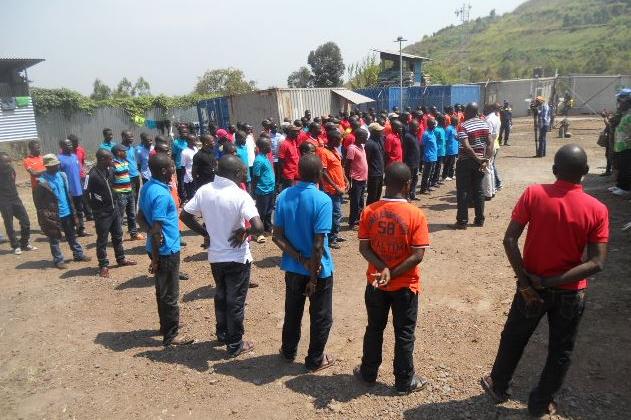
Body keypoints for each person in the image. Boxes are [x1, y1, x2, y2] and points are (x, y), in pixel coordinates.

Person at [481, 144, 609, 417]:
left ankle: (498, 385)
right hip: (570, 292)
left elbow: (509, 239)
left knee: (514, 336)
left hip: (531, 288)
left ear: (554, 169)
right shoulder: (597, 209)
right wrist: (551, 281)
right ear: (586, 171)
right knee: (561, 349)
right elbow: (597, 262)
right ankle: (540, 402)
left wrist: (527, 283)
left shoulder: (534, 194)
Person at [354, 162, 430, 394]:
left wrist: (383, 269)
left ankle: (368, 373)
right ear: (408, 185)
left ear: (386, 182)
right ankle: (404, 382)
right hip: (405, 286)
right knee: (404, 333)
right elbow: (417, 255)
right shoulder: (416, 215)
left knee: (374, 328)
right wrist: (393, 272)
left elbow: (364, 249)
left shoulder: (369, 211)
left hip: (376, 282)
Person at [180, 155, 264, 358]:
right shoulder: (240, 195)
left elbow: (185, 215)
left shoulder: (204, 190)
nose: (245, 175)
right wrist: (245, 232)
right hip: (237, 257)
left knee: (221, 294)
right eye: (243, 172)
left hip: (215, 256)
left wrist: (205, 233)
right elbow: (259, 226)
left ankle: (222, 333)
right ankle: (235, 344)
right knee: (235, 301)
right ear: (236, 173)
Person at [272, 154, 336, 371]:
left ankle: (288, 351)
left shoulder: (283, 196)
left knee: (293, 311)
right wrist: (313, 277)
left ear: (299, 172)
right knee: (321, 317)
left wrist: (299, 259)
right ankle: (315, 360)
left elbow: (277, 236)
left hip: (293, 268)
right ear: (319, 174)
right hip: (319, 271)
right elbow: (318, 245)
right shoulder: (323, 200)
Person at [137, 154, 194, 347]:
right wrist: (155, 258)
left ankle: (165, 325)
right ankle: (171, 335)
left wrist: (150, 235)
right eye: (171, 167)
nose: (173, 170)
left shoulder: (147, 187)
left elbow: (139, 217)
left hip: (156, 248)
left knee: (161, 289)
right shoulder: (161, 195)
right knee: (170, 293)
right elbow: (156, 230)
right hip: (165, 250)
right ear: (163, 171)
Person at [86, 149, 137, 278]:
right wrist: (95, 208)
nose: (112, 160)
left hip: (114, 210)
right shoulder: (91, 175)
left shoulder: (109, 170)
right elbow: (85, 194)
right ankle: (103, 265)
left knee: (118, 235)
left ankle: (121, 258)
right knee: (102, 240)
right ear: (102, 159)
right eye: (110, 158)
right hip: (102, 213)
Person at [35, 154, 91, 269]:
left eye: (57, 164)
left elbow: (67, 193)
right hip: (53, 215)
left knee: (72, 235)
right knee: (54, 239)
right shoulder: (42, 182)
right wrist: (45, 216)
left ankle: (78, 254)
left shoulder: (62, 175)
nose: (57, 166)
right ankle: (58, 260)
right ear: (47, 166)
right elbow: (38, 202)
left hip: (67, 212)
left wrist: (72, 209)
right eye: (54, 165)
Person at [454, 103, 492, 229]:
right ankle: (479, 220)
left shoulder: (463, 126)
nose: (464, 113)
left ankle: (462, 221)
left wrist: (477, 158)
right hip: (479, 162)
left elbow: (466, 146)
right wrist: (485, 160)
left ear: (469, 112)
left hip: (465, 161)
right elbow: (490, 143)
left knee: (463, 191)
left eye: (465, 111)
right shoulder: (484, 124)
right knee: (478, 190)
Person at [317, 130, 348, 249]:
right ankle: (331, 238)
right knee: (335, 213)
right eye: (339, 140)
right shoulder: (323, 152)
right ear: (333, 140)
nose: (341, 142)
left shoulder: (334, 150)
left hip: (339, 187)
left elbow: (339, 166)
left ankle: (335, 234)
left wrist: (346, 180)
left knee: (336, 213)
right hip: (331, 189)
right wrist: (335, 186)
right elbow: (323, 172)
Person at [0, 152, 35, 255]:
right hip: (4, 201)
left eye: (9, 161)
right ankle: (15, 245)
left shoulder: (11, 170)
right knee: (9, 224)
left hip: (15, 199)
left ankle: (24, 243)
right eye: (6, 162)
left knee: (25, 221)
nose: (9, 163)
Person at [112, 144, 144, 241]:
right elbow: (111, 180)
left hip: (129, 192)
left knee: (132, 214)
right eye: (124, 151)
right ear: (118, 152)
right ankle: (118, 236)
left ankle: (133, 233)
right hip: (120, 194)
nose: (126, 153)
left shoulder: (125, 162)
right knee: (120, 216)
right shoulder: (113, 164)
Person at [58, 138, 88, 237]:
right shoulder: (59, 159)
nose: (70, 146)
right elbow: (59, 176)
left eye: (71, 144)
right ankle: (71, 229)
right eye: (68, 145)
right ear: (62, 147)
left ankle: (81, 229)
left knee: (79, 210)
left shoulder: (74, 157)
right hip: (67, 191)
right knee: (70, 211)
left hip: (78, 189)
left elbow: (79, 172)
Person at [252, 137, 275, 241]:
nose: (270, 147)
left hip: (270, 189)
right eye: (268, 145)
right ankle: (258, 232)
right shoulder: (258, 160)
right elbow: (255, 177)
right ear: (262, 147)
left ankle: (268, 227)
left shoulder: (265, 157)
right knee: (261, 212)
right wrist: (253, 192)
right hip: (262, 191)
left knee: (269, 210)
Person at [345, 128, 369, 229]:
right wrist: (347, 180)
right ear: (359, 137)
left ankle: (359, 219)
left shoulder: (362, 146)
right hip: (355, 179)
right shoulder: (352, 148)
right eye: (365, 137)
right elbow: (348, 165)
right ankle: (352, 222)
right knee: (355, 202)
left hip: (363, 178)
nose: (367, 139)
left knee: (361, 201)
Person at [610, 88, 631, 196]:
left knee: (626, 168)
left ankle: (625, 188)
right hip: (620, 146)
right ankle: (619, 185)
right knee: (620, 167)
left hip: (627, 147)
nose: (618, 104)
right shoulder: (624, 113)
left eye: (620, 101)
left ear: (628, 101)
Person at [365, 122, 386, 205]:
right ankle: (369, 211)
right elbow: (367, 159)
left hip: (379, 173)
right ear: (373, 132)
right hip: (373, 174)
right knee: (372, 196)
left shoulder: (378, 141)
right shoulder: (369, 144)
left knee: (378, 195)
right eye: (379, 131)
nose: (381, 132)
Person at [402, 120, 421, 201]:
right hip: (410, 162)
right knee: (408, 180)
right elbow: (405, 150)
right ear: (411, 127)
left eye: (418, 126)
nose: (418, 128)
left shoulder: (415, 135)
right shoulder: (407, 136)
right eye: (416, 126)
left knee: (415, 179)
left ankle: (412, 194)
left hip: (416, 162)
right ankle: (406, 196)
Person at [278, 124, 301, 190]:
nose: (298, 133)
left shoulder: (293, 141)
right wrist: (284, 173)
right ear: (290, 132)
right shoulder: (284, 144)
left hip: (296, 172)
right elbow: (281, 160)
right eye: (295, 132)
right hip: (289, 175)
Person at [121, 130, 140, 205]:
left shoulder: (132, 148)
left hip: (136, 175)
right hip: (127, 177)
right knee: (130, 197)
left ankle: (134, 210)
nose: (132, 138)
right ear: (123, 137)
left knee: (136, 195)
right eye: (129, 137)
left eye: (132, 137)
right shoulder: (120, 149)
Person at [420, 119, 438, 195]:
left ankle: (428, 186)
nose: (434, 126)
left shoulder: (432, 132)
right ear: (429, 125)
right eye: (433, 124)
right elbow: (422, 145)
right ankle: (423, 189)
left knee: (431, 173)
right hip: (428, 157)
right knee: (426, 174)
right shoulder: (426, 134)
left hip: (434, 156)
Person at [172, 125, 189, 201]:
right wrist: (174, 165)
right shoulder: (176, 143)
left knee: (188, 180)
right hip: (180, 165)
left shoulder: (188, 141)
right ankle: (182, 198)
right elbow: (174, 155)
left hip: (188, 165)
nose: (185, 134)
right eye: (183, 132)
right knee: (181, 182)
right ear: (180, 133)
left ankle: (189, 194)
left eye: (186, 132)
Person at [181, 134, 199, 201]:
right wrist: (184, 178)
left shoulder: (196, 149)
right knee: (191, 196)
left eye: (195, 140)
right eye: (193, 140)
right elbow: (183, 166)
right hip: (189, 177)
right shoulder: (184, 152)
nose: (195, 142)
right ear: (188, 141)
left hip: (196, 174)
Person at [431, 115, 446, 188]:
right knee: (436, 167)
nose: (445, 121)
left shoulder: (442, 129)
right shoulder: (436, 130)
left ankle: (436, 180)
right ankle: (433, 181)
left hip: (442, 151)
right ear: (441, 121)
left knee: (439, 166)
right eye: (444, 120)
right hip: (437, 152)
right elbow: (434, 141)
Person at [442, 116, 459, 181]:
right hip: (449, 149)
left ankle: (451, 175)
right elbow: (445, 139)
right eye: (457, 121)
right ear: (454, 122)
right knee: (447, 163)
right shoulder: (448, 129)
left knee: (452, 163)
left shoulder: (454, 128)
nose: (458, 122)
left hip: (454, 149)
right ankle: (445, 176)